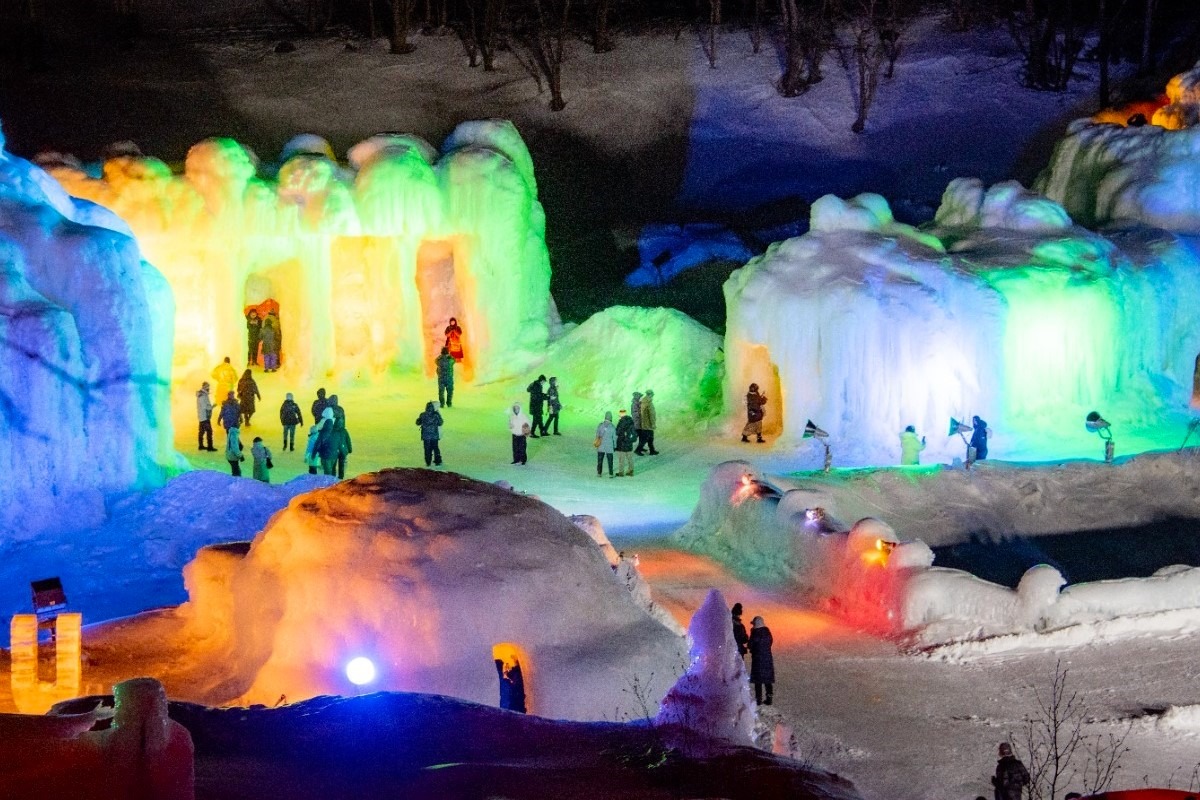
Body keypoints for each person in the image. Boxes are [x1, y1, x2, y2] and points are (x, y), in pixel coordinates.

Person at [749, 615, 774, 705]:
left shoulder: (755, 633)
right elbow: (770, 642)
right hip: (767, 658)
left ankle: (758, 699)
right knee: (767, 679)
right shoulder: (767, 632)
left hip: (757, 659)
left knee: (758, 680)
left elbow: (750, 645)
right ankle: (769, 698)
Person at [416, 401, 444, 467]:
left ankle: (428, 462)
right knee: (435, 448)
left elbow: (417, 423)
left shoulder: (423, 414)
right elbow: (441, 423)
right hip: (434, 436)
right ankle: (437, 461)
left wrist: (419, 420)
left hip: (426, 436)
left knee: (427, 449)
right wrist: (438, 415)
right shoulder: (436, 415)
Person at [636, 390, 659, 455]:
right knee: (646, 438)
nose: (653, 396)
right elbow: (651, 415)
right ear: (650, 394)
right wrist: (653, 424)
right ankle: (638, 450)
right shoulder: (648, 403)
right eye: (652, 394)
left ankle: (652, 450)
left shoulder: (644, 402)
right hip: (648, 424)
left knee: (650, 438)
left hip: (645, 424)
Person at [615, 408, 636, 477]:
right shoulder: (631, 421)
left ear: (621, 414)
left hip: (621, 443)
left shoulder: (621, 422)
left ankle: (621, 472)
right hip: (629, 443)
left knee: (621, 459)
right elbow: (634, 432)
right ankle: (631, 470)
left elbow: (617, 432)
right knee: (629, 458)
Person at [196, 382, 216, 451]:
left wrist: (211, 407)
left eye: (208, 386)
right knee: (209, 431)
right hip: (204, 416)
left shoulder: (203, 395)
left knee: (201, 431)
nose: (208, 388)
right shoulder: (202, 395)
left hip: (203, 416)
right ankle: (210, 447)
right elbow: (205, 406)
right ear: (203, 386)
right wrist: (212, 407)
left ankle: (201, 446)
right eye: (207, 386)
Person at [595, 411, 616, 477]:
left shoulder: (600, 425)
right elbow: (614, 438)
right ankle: (611, 473)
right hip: (609, 447)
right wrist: (615, 446)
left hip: (601, 446)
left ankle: (599, 473)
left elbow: (597, 435)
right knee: (610, 461)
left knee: (600, 460)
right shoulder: (612, 427)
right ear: (611, 418)